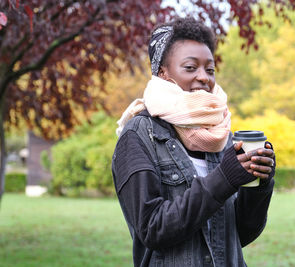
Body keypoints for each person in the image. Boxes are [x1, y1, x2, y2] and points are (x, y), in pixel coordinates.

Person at [112, 17, 276, 267]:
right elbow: (152, 229)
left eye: (210, 69)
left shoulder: (219, 133)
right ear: (163, 73)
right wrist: (224, 178)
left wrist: (259, 184)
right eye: (190, 67)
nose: (204, 77)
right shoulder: (139, 135)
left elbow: (239, 234)